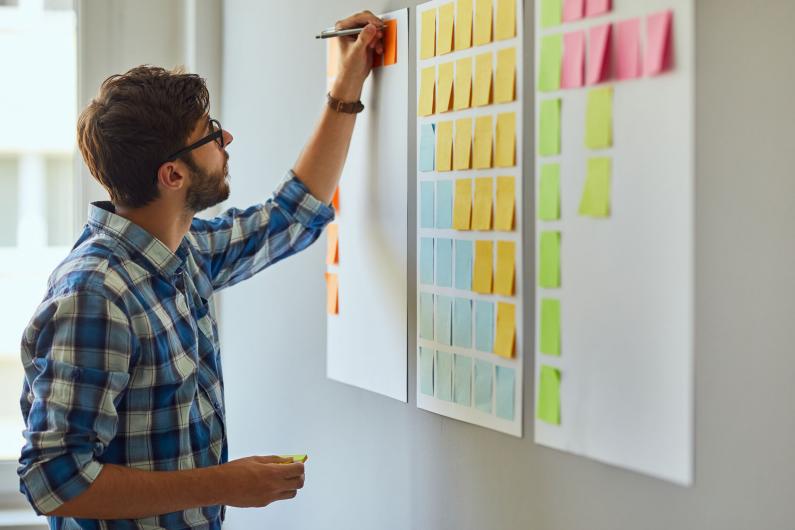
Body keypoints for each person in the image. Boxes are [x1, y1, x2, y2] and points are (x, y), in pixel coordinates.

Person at [17, 10, 384, 530]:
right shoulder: (95, 296)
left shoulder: (181, 253)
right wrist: (224, 483)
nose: (226, 138)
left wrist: (345, 88)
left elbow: (289, 216)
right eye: (210, 134)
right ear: (172, 174)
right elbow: (55, 480)